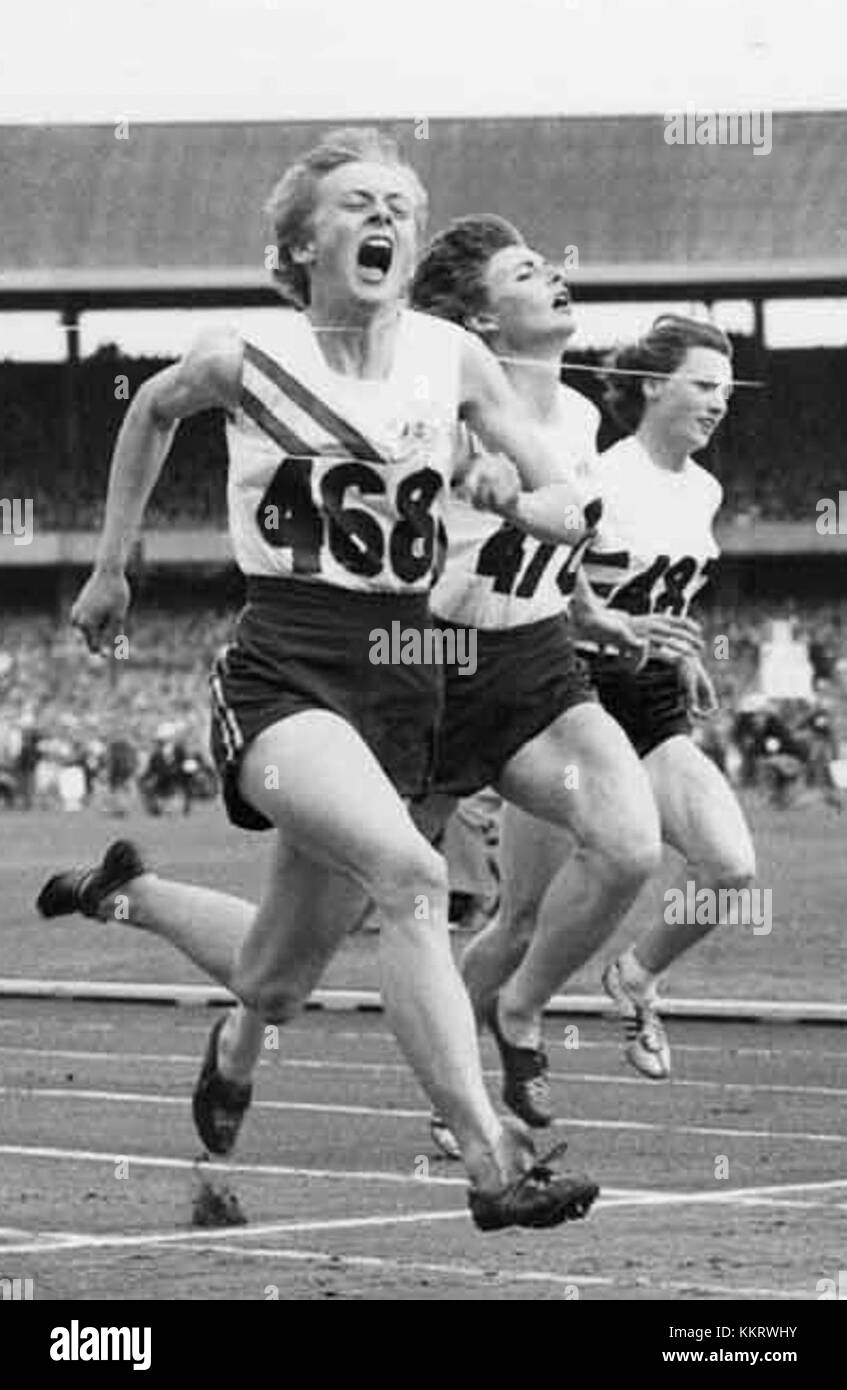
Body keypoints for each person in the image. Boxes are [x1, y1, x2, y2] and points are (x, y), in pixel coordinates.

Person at [38, 129, 602, 1231]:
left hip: (403, 675)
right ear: (301, 242)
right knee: (409, 875)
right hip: (286, 667)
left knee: (276, 980)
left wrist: (509, 492)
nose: (384, 215)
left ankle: (125, 892)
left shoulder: (453, 359)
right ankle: (494, 1164)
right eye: (355, 202)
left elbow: (567, 505)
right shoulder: (246, 353)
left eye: (400, 200)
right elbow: (150, 411)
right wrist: (112, 567)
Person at [460, 314, 756, 1094]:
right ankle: (454, 1080)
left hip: (651, 700)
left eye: (725, 390)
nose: (719, 403)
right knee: (518, 922)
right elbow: (538, 581)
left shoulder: (706, 488)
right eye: (703, 385)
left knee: (728, 868)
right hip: (570, 699)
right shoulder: (600, 473)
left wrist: (682, 653)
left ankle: (634, 976)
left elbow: (669, 595)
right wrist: (597, 625)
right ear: (653, 386)